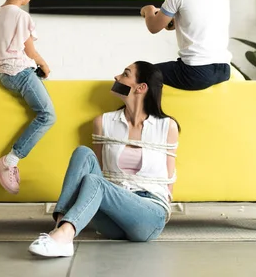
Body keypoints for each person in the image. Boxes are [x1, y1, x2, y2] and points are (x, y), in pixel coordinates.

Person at [28, 61, 179, 258]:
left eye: (125, 74)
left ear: (141, 88)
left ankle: (63, 235)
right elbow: (97, 171)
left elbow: (168, 181)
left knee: (94, 182)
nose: (117, 78)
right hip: (111, 217)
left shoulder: (166, 127)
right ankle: (61, 230)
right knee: (83, 153)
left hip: (148, 215)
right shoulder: (104, 122)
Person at [0, 0, 56, 195]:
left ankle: (10, 162)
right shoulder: (22, 17)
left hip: (3, 75)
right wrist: (43, 64)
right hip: (19, 74)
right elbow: (30, 51)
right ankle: (9, 161)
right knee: (47, 115)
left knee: (39, 92)